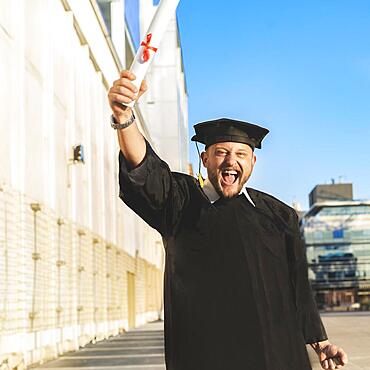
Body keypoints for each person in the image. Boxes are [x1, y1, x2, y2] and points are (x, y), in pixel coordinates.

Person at [108, 70, 348, 370]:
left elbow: (298, 286)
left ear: (252, 163)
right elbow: (143, 167)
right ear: (206, 159)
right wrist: (124, 117)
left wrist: (320, 342)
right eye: (221, 152)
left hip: (278, 355)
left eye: (241, 154)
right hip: (205, 355)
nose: (231, 161)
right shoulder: (179, 201)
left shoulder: (280, 215)